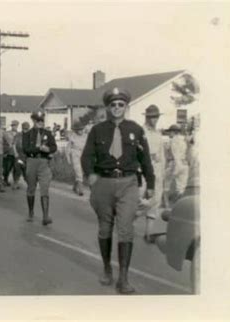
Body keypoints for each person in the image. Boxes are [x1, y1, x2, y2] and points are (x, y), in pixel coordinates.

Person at [81, 87, 155, 294]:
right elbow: (86, 156)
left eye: (120, 105)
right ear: (107, 107)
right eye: (113, 105)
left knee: (126, 229)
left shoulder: (136, 129)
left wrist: (151, 184)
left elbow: (145, 160)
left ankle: (123, 278)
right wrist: (90, 174)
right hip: (103, 183)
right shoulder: (97, 130)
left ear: (126, 107)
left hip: (128, 183)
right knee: (105, 228)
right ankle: (107, 269)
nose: (116, 108)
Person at [22, 110, 57, 225]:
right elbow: (25, 149)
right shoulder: (27, 134)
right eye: (38, 120)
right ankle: (31, 212)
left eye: (42, 120)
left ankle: (45, 216)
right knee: (31, 188)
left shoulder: (48, 134)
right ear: (33, 121)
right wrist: (38, 148)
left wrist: (48, 149)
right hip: (31, 161)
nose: (40, 122)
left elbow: (54, 147)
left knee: (45, 188)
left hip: (44, 162)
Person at [139, 105, 166, 242]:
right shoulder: (141, 132)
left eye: (156, 116)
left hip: (157, 169)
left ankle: (148, 233)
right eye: (151, 117)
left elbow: (161, 154)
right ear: (146, 117)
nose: (154, 119)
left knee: (155, 201)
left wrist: (163, 173)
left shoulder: (158, 133)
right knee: (141, 200)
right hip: (144, 169)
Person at [164, 124, 189, 207]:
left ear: (174, 132)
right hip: (184, 163)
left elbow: (176, 155)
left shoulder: (173, 141)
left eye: (170, 132)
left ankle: (166, 204)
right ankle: (181, 205)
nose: (169, 134)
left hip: (174, 163)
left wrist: (176, 168)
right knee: (181, 187)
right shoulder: (184, 140)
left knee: (166, 184)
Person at [65, 120, 88, 196]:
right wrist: (68, 158)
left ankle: (75, 186)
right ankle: (81, 190)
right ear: (75, 130)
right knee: (78, 171)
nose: (80, 131)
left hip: (84, 154)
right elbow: (68, 148)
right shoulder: (72, 137)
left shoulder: (86, 136)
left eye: (81, 129)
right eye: (78, 130)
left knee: (83, 172)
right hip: (75, 154)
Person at [12, 121, 30, 189]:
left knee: (26, 170)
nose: (25, 130)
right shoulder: (18, 135)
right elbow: (13, 144)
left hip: (26, 155)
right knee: (17, 169)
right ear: (22, 128)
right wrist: (15, 153)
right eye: (24, 128)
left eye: (27, 129)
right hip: (19, 155)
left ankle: (29, 183)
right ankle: (16, 182)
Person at [3, 120, 19, 186]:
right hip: (9, 153)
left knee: (16, 168)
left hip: (16, 154)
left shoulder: (19, 134)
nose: (14, 127)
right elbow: (4, 142)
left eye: (15, 125)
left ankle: (15, 182)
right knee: (7, 168)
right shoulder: (7, 133)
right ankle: (5, 180)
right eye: (13, 125)